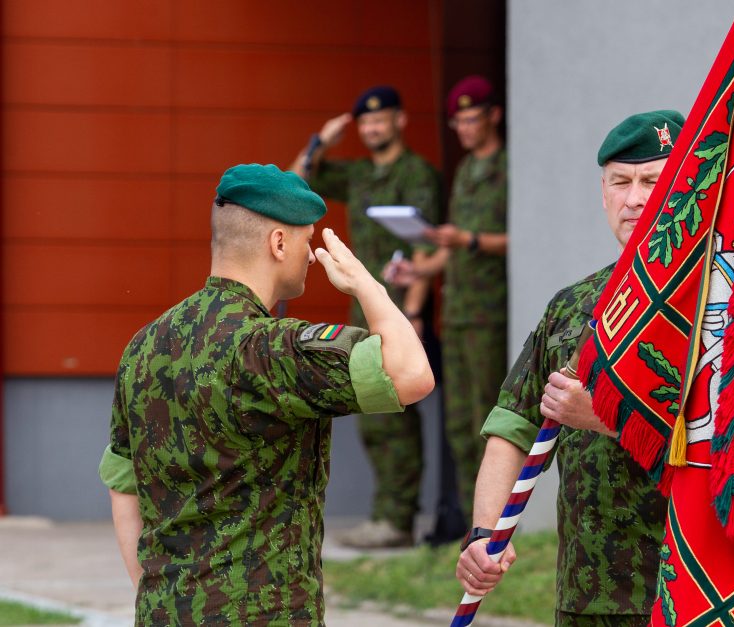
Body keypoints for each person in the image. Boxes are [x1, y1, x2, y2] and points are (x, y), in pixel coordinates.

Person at [97, 164, 434, 625]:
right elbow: (413, 374)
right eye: (306, 240)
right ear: (278, 243)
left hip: (164, 612)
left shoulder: (144, 345)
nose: (312, 257)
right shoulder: (271, 349)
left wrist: (158, 598)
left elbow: (123, 485)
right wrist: (366, 285)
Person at [454, 111, 686, 626]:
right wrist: (483, 536)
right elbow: (513, 427)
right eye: (620, 182)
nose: (635, 198)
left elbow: (724, 438)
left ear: (685, 188)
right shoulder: (574, 306)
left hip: (689, 595)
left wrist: (605, 414)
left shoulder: (720, 305)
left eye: (653, 181)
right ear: (603, 193)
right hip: (587, 596)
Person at [289, 85, 441, 548]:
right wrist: (321, 141)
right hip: (361, 311)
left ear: (400, 120)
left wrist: (413, 311)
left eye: (381, 120)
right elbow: (296, 181)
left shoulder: (416, 173)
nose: (373, 128)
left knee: (395, 412)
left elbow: (425, 243)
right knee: (373, 412)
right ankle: (386, 514)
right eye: (366, 123)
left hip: (396, 309)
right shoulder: (356, 174)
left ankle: (397, 518)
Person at [387, 75, 509, 525]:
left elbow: (517, 237)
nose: (463, 129)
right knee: (458, 425)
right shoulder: (464, 171)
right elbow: (450, 247)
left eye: (471, 119)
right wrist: (419, 270)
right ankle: (465, 521)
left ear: (493, 115)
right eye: (457, 122)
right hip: (456, 313)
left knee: (485, 417)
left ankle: (493, 524)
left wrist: (470, 239)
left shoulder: (508, 167)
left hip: (488, 314)